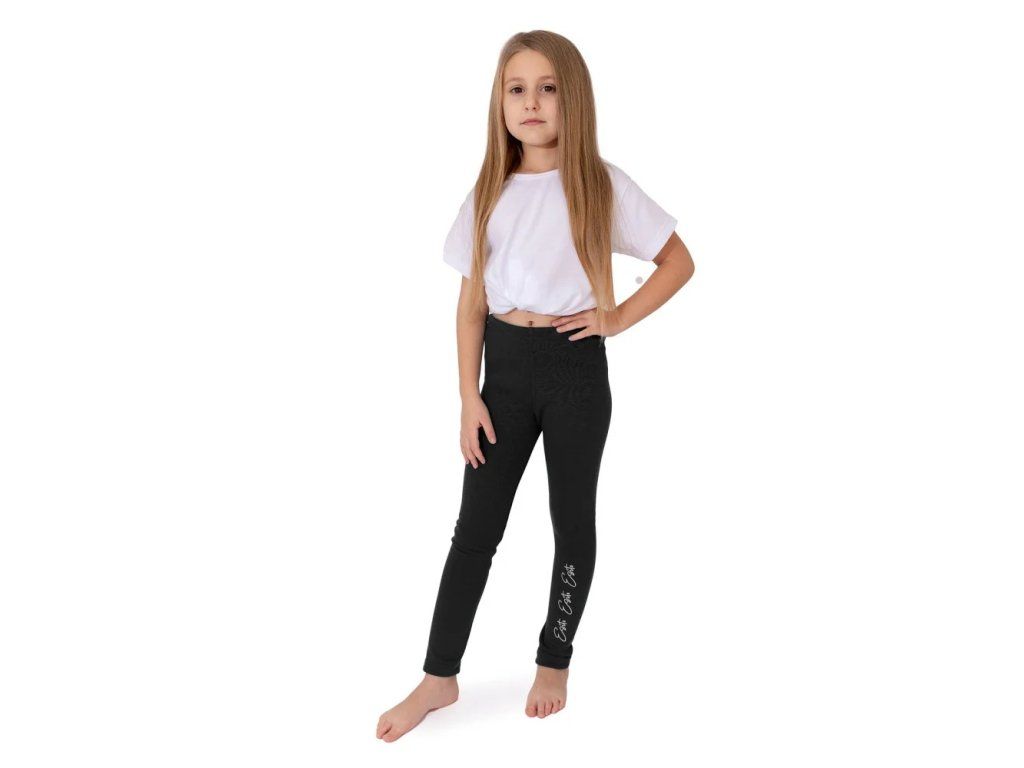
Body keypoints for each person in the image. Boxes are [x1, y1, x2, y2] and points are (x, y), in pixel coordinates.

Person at [377, 30, 695, 742]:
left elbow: (678, 261)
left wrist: (616, 317)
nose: (531, 103)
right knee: (474, 530)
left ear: (571, 99)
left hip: (575, 371)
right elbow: (470, 306)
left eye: (548, 88)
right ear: (499, 103)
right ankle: (438, 675)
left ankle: (555, 660)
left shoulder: (601, 184)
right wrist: (469, 395)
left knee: (571, 522)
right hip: (505, 373)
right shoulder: (488, 192)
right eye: (516, 89)